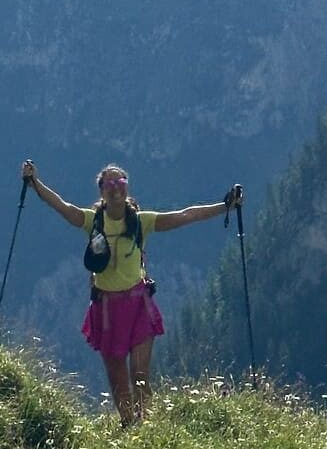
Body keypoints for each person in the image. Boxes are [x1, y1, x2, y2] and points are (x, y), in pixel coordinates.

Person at [21, 159, 243, 425]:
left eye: (120, 183)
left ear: (126, 188)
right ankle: (131, 427)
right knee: (118, 380)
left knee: (139, 374)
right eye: (109, 184)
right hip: (107, 309)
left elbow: (186, 215)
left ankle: (144, 426)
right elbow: (60, 205)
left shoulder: (141, 222)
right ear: (101, 191)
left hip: (138, 306)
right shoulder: (92, 221)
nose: (115, 188)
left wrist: (225, 206)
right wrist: (34, 183)